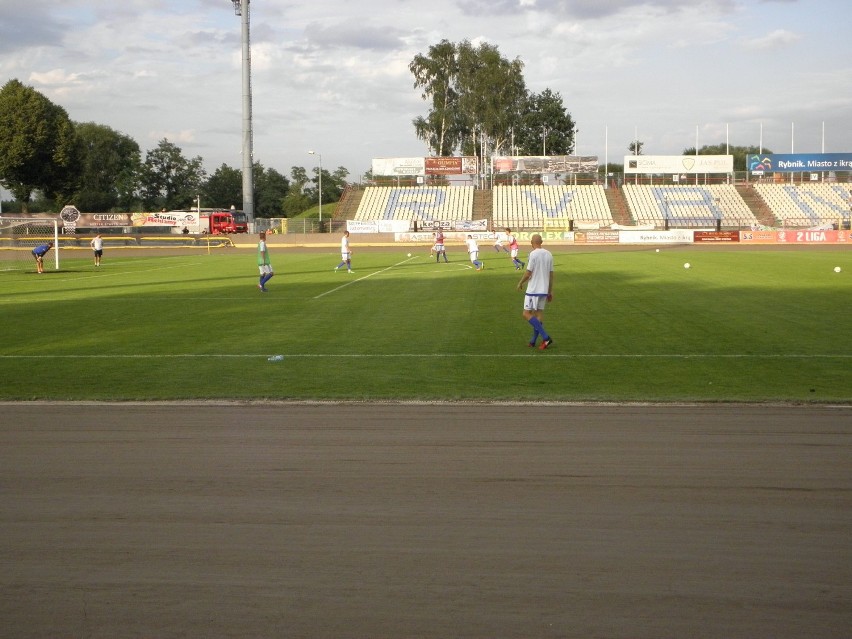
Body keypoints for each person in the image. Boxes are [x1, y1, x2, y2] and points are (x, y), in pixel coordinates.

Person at [517, 233, 554, 350]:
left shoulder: (532, 254)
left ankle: (546, 337)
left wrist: (520, 282)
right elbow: (551, 275)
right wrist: (549, 291)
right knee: (538, 314)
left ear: (531, 243)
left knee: (526, 313)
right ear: (541, 242)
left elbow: (528, 272)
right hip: (544, 289)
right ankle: (533, 341)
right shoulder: (549, 254)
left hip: (533, 289)